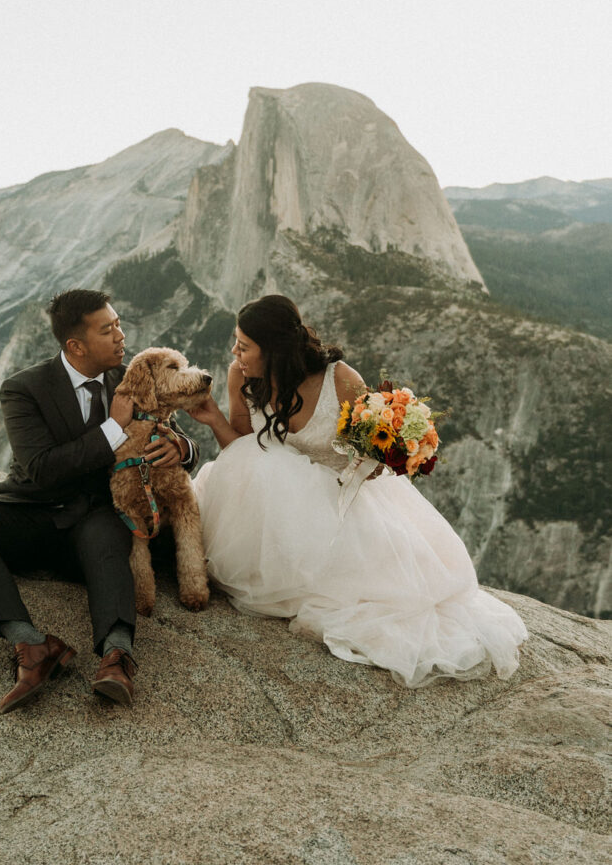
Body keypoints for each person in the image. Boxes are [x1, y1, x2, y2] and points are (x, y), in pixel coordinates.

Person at [189, 294, 527, 688]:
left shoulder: (340, 379)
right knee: (266, 464)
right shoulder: (240, 376)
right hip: (272, 508)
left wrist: (383, 456)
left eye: (244, 346)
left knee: (384, 595)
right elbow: (243, 452)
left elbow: (369, 458)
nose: (235, 352)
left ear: (275, 349)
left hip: (338, 499)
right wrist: (213, 418)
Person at [0, 289, 198, 712]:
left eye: (118, 324)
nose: (121, 335)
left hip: (97, 519)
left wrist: (183, 450)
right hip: (32, 510)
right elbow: (42, 468)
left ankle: (117, 657)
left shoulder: (132, 379)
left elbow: (177, 422)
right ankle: (31, 645)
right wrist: (114, 428)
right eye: (108, 329)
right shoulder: (24, 389)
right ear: (75, 346)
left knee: (109, 536)